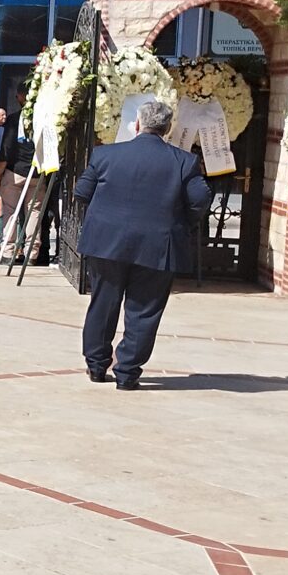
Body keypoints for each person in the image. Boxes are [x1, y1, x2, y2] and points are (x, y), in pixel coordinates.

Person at [76, 100, 210, 391]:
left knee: (103, 302)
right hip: (157, 244)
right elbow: (200, 199)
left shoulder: (105, 155)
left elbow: (82, 191)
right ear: (167, 128)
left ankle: (96, 365)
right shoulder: (183, 161)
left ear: (137, 125)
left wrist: (106, 212)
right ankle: (127, 372)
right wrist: (180, 223)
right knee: (144, 310)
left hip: (107, 242)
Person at [0, 112, 39, 262]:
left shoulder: (15, 119)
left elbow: (6, 148)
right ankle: (32, 252)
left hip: (15, 171)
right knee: (34, 212)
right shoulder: (44, 116)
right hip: (36, 172)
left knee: (10, 210)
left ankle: (7, 250)